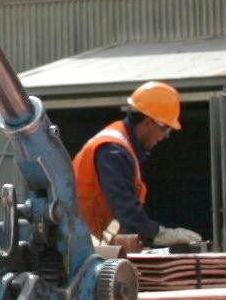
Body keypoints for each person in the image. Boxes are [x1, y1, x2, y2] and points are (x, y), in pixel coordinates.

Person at [71, 81, 204, 248]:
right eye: (166, 128)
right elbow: (126, 213)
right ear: (150, 121)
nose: (166, 136)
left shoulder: (123, 147)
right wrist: (161, 234)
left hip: (92, 246)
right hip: (85, 248)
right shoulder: (113, 151)